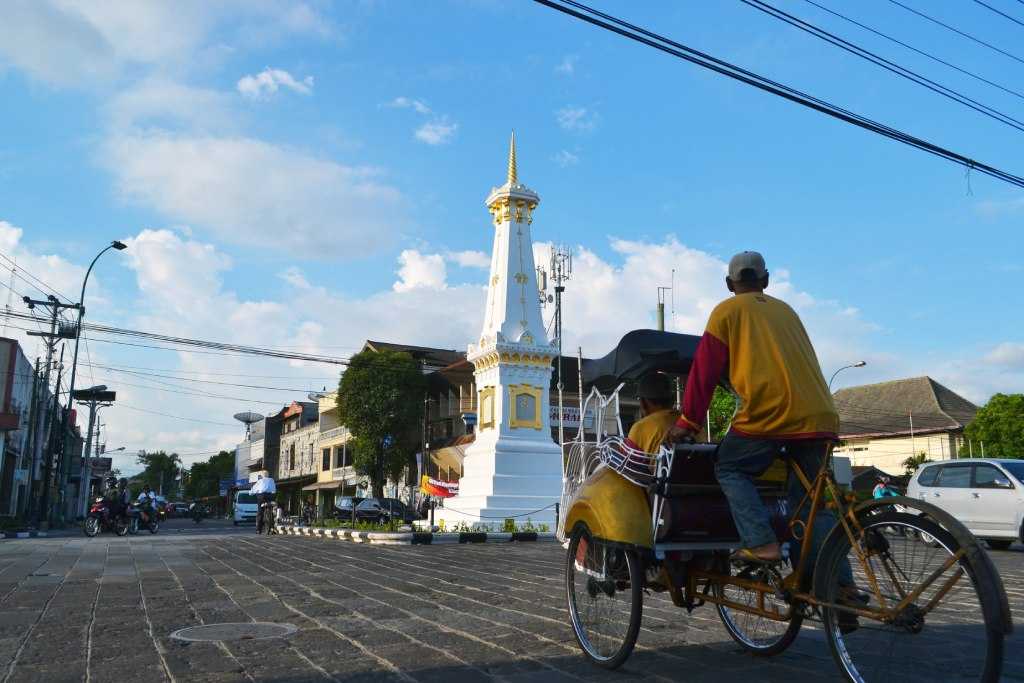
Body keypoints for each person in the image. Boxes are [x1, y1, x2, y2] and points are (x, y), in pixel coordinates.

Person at [667, 252, 862, 622]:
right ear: (766, 280)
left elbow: (704, 373)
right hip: (820, 413)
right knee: (812, 506)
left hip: (770, 413)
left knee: (730, 466)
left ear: (730, 284)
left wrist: (688, 421)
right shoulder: (787, 312)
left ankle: (761, 543)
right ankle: (840, 585)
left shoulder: (726, 312)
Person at [624, 373, 680, 456]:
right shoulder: (686, 423)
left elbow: (628, 466)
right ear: (672, 400)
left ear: (643, 403)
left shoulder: (640, 428)